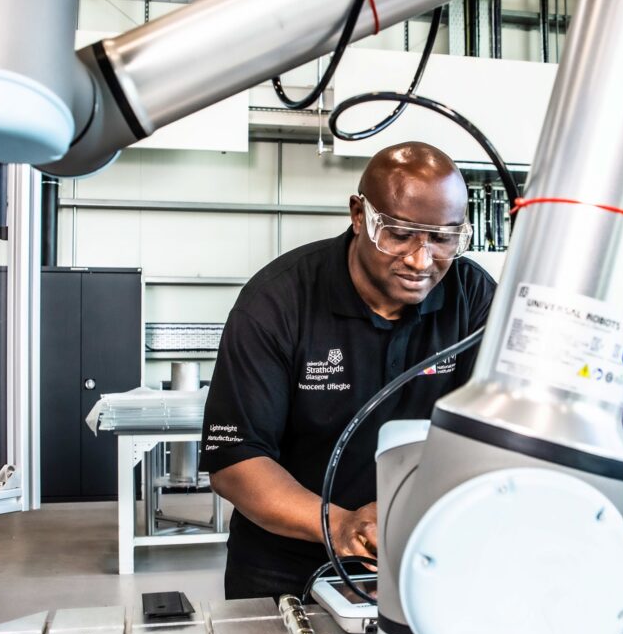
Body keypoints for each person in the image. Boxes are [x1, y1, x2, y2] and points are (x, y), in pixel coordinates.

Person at [200, 141, 496, 600]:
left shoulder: (472, 296)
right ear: (359, 215)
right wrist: (341, 526)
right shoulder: (279, 302)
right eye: (399, 234)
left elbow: (500, 433)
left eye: (442, 238)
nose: (422, 260)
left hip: (423, 554)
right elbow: (235, 462)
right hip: (283, 565)